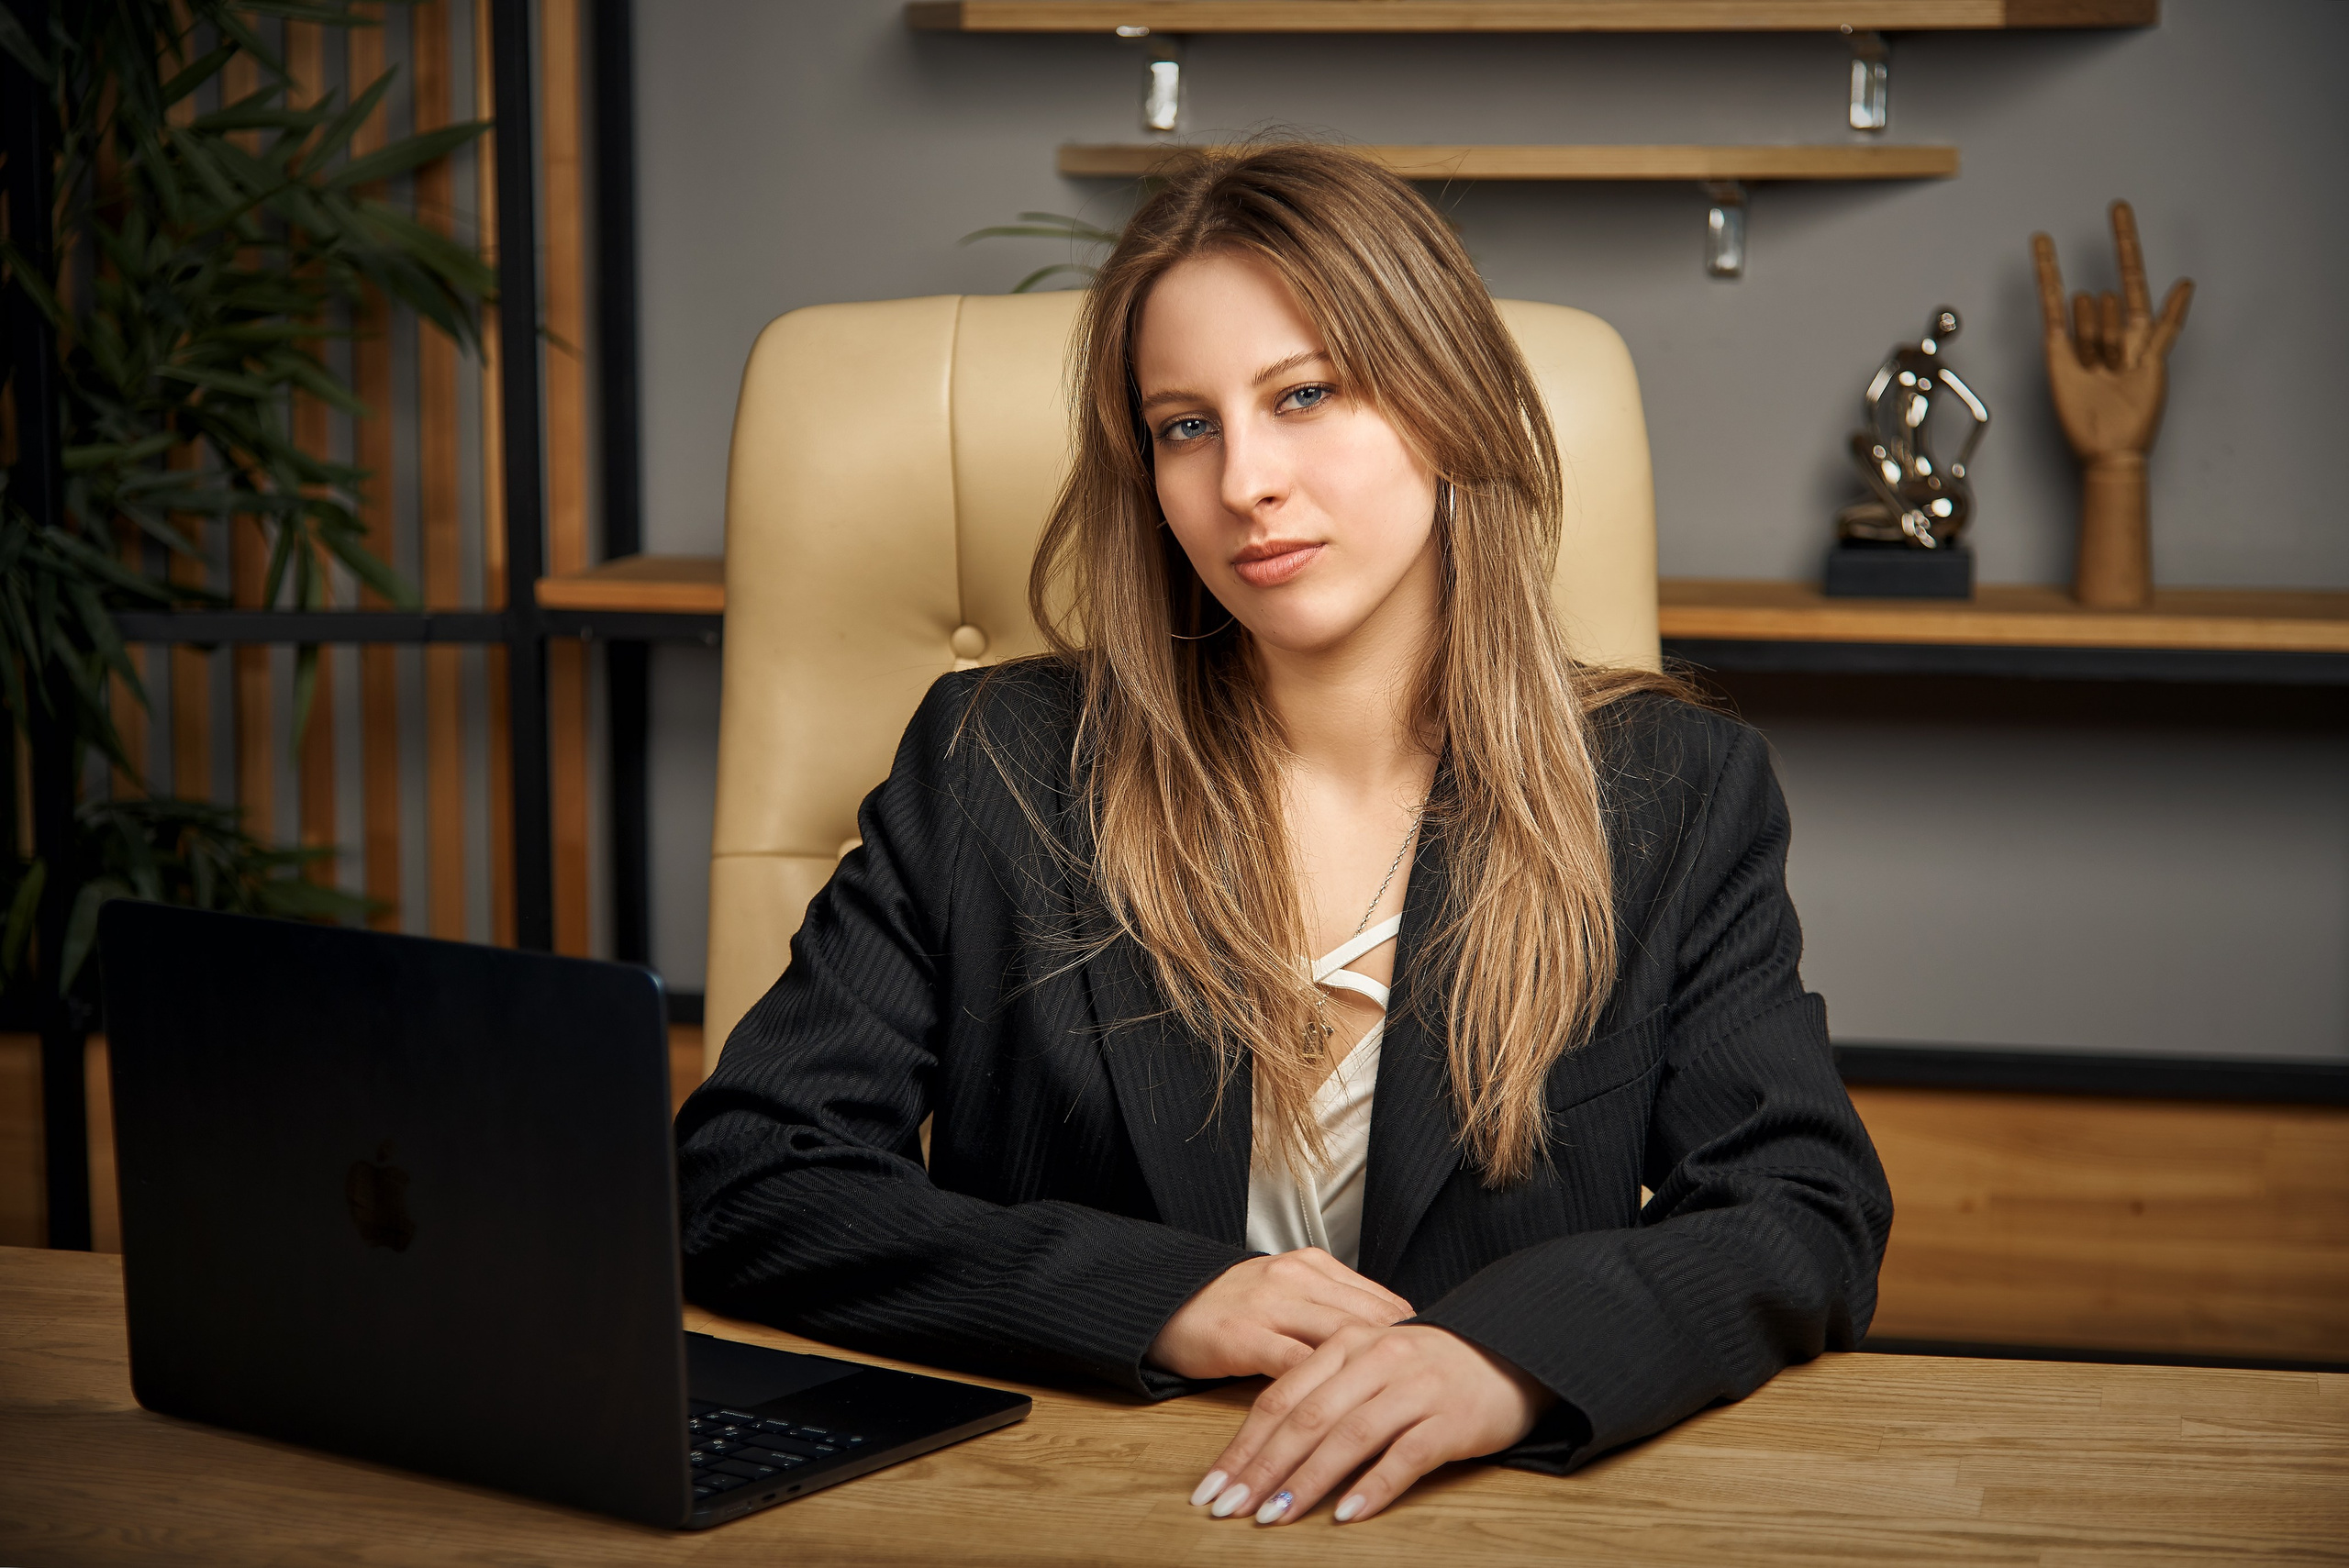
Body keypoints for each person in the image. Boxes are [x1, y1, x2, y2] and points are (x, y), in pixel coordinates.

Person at [676, 144, 1892, 1529]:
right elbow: (747, 1173)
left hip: (1488, 1523)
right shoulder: (996, 763)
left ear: (1444, 401)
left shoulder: (1673, 789)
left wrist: (1509, 1358)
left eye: (1305, 395)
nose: (1244, 479)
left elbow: (1803, 1208)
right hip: (1072, 1515)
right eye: (1184, 425)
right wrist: (1167, 1296)